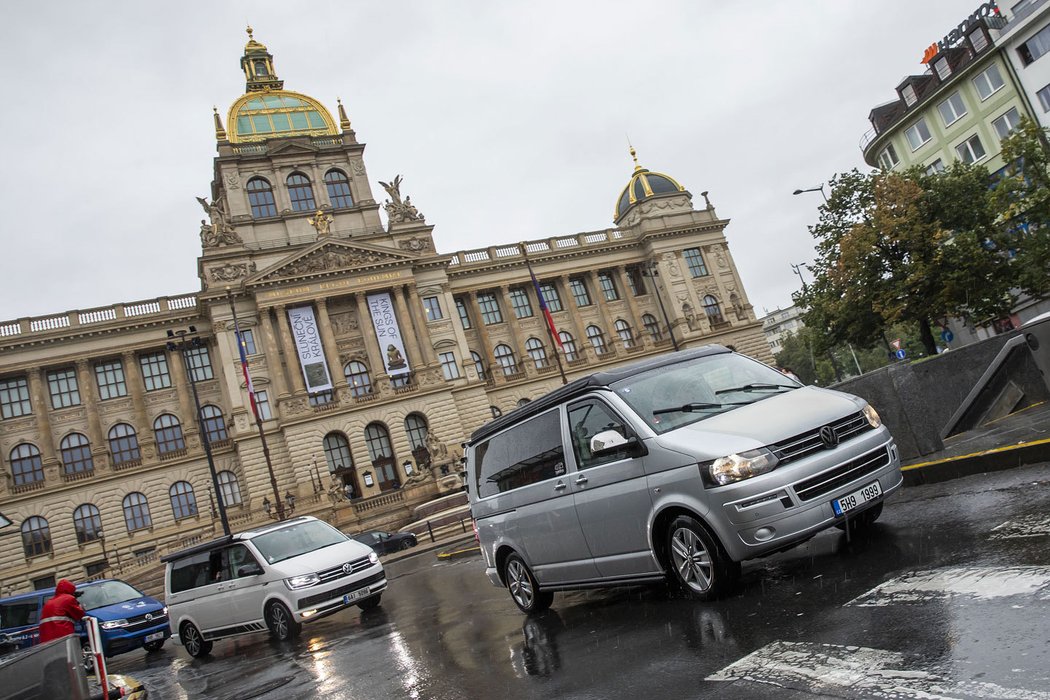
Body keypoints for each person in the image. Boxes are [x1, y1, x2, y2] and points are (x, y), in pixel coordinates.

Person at [38, 579, 86, 644]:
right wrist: (79, 604)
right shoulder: (68, 598)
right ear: (71, 590)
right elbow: (80, 614)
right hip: (62, 634)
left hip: (46, 638)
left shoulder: (49, 601)